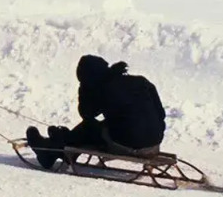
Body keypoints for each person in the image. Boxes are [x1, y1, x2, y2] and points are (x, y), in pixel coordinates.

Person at [24, 55, 166, 170]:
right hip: (155, 141)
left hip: (130, 145)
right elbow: (161, 113)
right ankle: (62, 141)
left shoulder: (102, 89)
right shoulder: (140, 81)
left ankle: (50, 152)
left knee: (89, 127)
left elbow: (87, 115)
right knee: (111, 125)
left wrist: (84, 90)